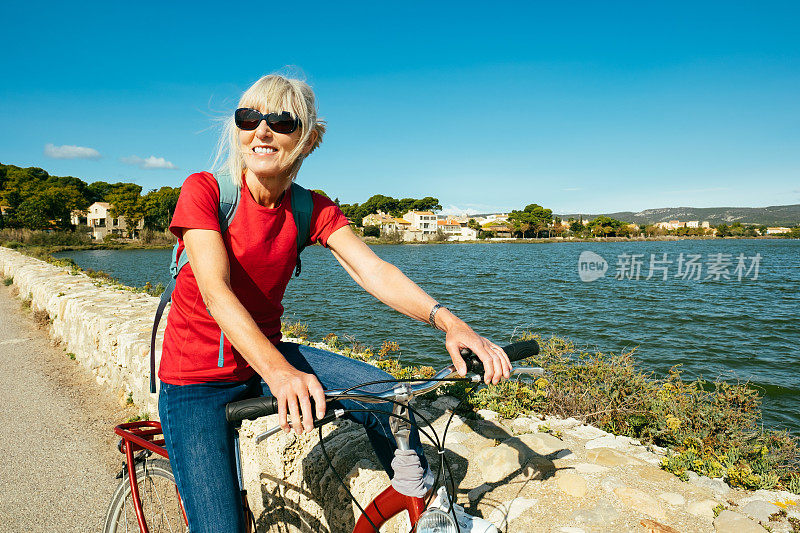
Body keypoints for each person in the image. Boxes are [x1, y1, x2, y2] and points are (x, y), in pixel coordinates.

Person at [157, 73, 512, 532]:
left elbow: (374, 270)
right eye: (249, 118)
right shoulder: (206, 191)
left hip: (262, 359)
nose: (261, 131)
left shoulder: (310, 207)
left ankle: (438, 515)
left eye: (281, 122)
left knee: (388, 396)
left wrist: (450, 324)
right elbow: (215, 292)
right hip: (197, 380)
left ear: (305, 140)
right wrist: (281, 373)